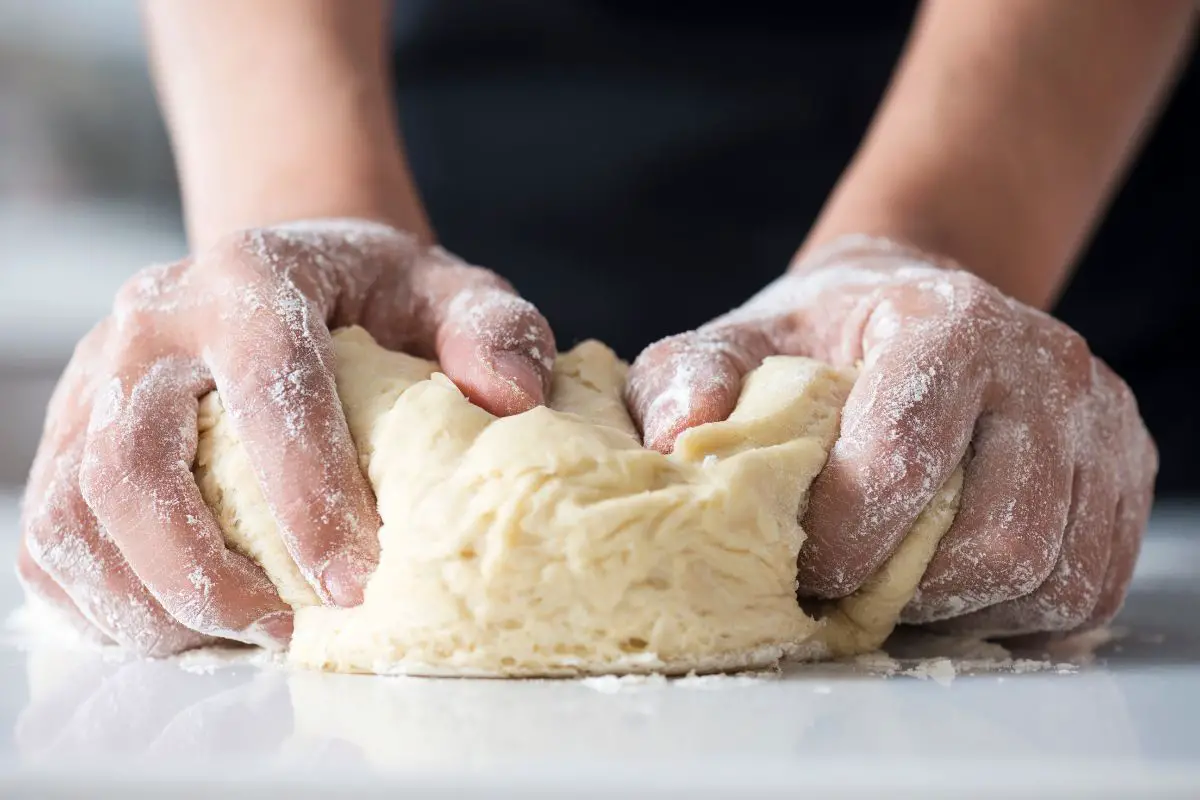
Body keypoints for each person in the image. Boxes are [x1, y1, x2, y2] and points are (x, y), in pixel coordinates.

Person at [16, 0, 1194, 655]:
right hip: (452, 151)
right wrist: (307, 198)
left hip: (1036, 232)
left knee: (959, 477)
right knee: (304, 447)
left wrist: (938, 235)